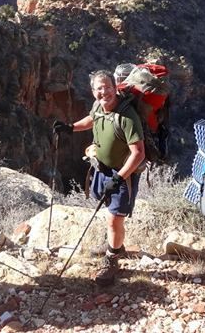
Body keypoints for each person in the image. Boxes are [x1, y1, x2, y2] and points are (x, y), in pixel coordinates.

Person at [54, 70, 146, 285]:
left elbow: (138, 153)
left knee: (114, 218)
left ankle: (112, 259)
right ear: (93, 91)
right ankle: (116, 245)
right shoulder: (98, 106)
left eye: (107, 87)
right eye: (98, 88)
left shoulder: (127, 117)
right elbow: (92, 119)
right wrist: (71, 128)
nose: (103, 92)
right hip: (101, 169)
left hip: (122, 174)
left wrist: (120, 178)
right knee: (109, 212)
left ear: (115, 87)